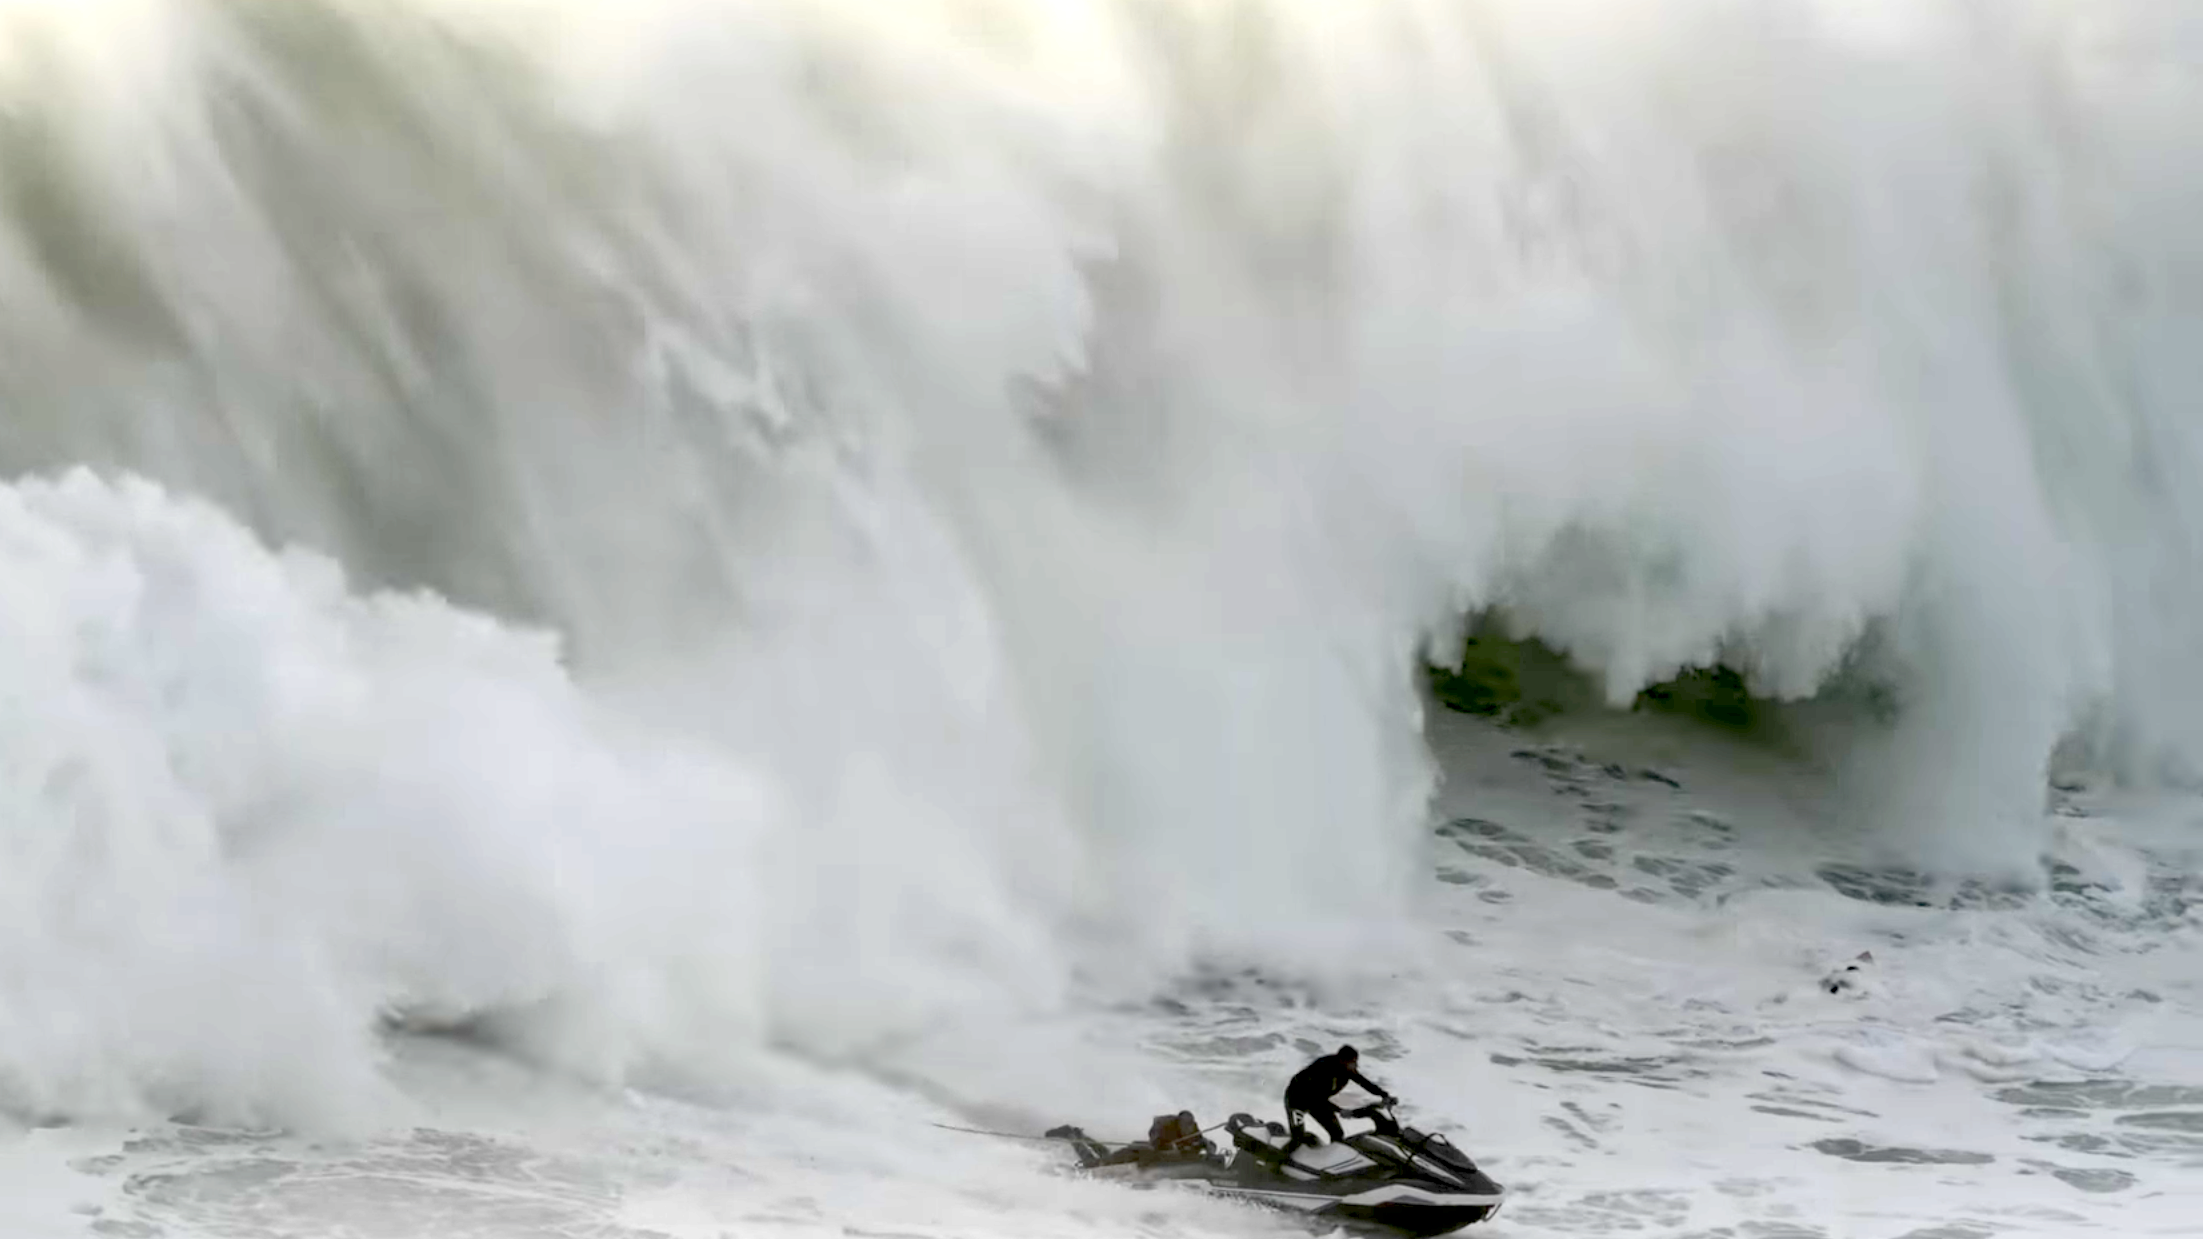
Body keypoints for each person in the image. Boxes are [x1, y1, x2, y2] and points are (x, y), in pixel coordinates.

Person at [1284, 1044, 1393, 1145]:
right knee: (1297, 1139)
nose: (1356, 1065)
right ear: (1342, 1060)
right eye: (1353, 1062)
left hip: (1318, 1102)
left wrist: (1384, 1095)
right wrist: (1339, 1110)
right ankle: (1280, 1158)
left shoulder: (1347, 1069)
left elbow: (1364, 1082)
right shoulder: (1324, 1068)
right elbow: (1317, 1097)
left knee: (1337, 1134)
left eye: (1356, 1061)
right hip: (1297, 1100)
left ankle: (1333, 1157)